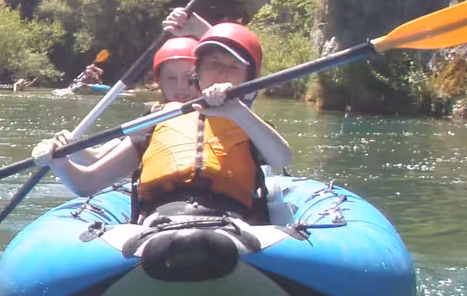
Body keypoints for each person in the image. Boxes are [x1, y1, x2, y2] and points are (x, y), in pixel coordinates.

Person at [34, 23, 291, 220]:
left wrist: (237, 112)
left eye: (234, 66)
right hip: (159, 224)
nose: (222, 72)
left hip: (230, 221)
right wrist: (60, 164)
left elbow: (281, 159)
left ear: (248, 79)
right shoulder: (156, 122)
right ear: (198, 73)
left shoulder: (249, 123)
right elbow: (88, 183)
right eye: (213, 63)